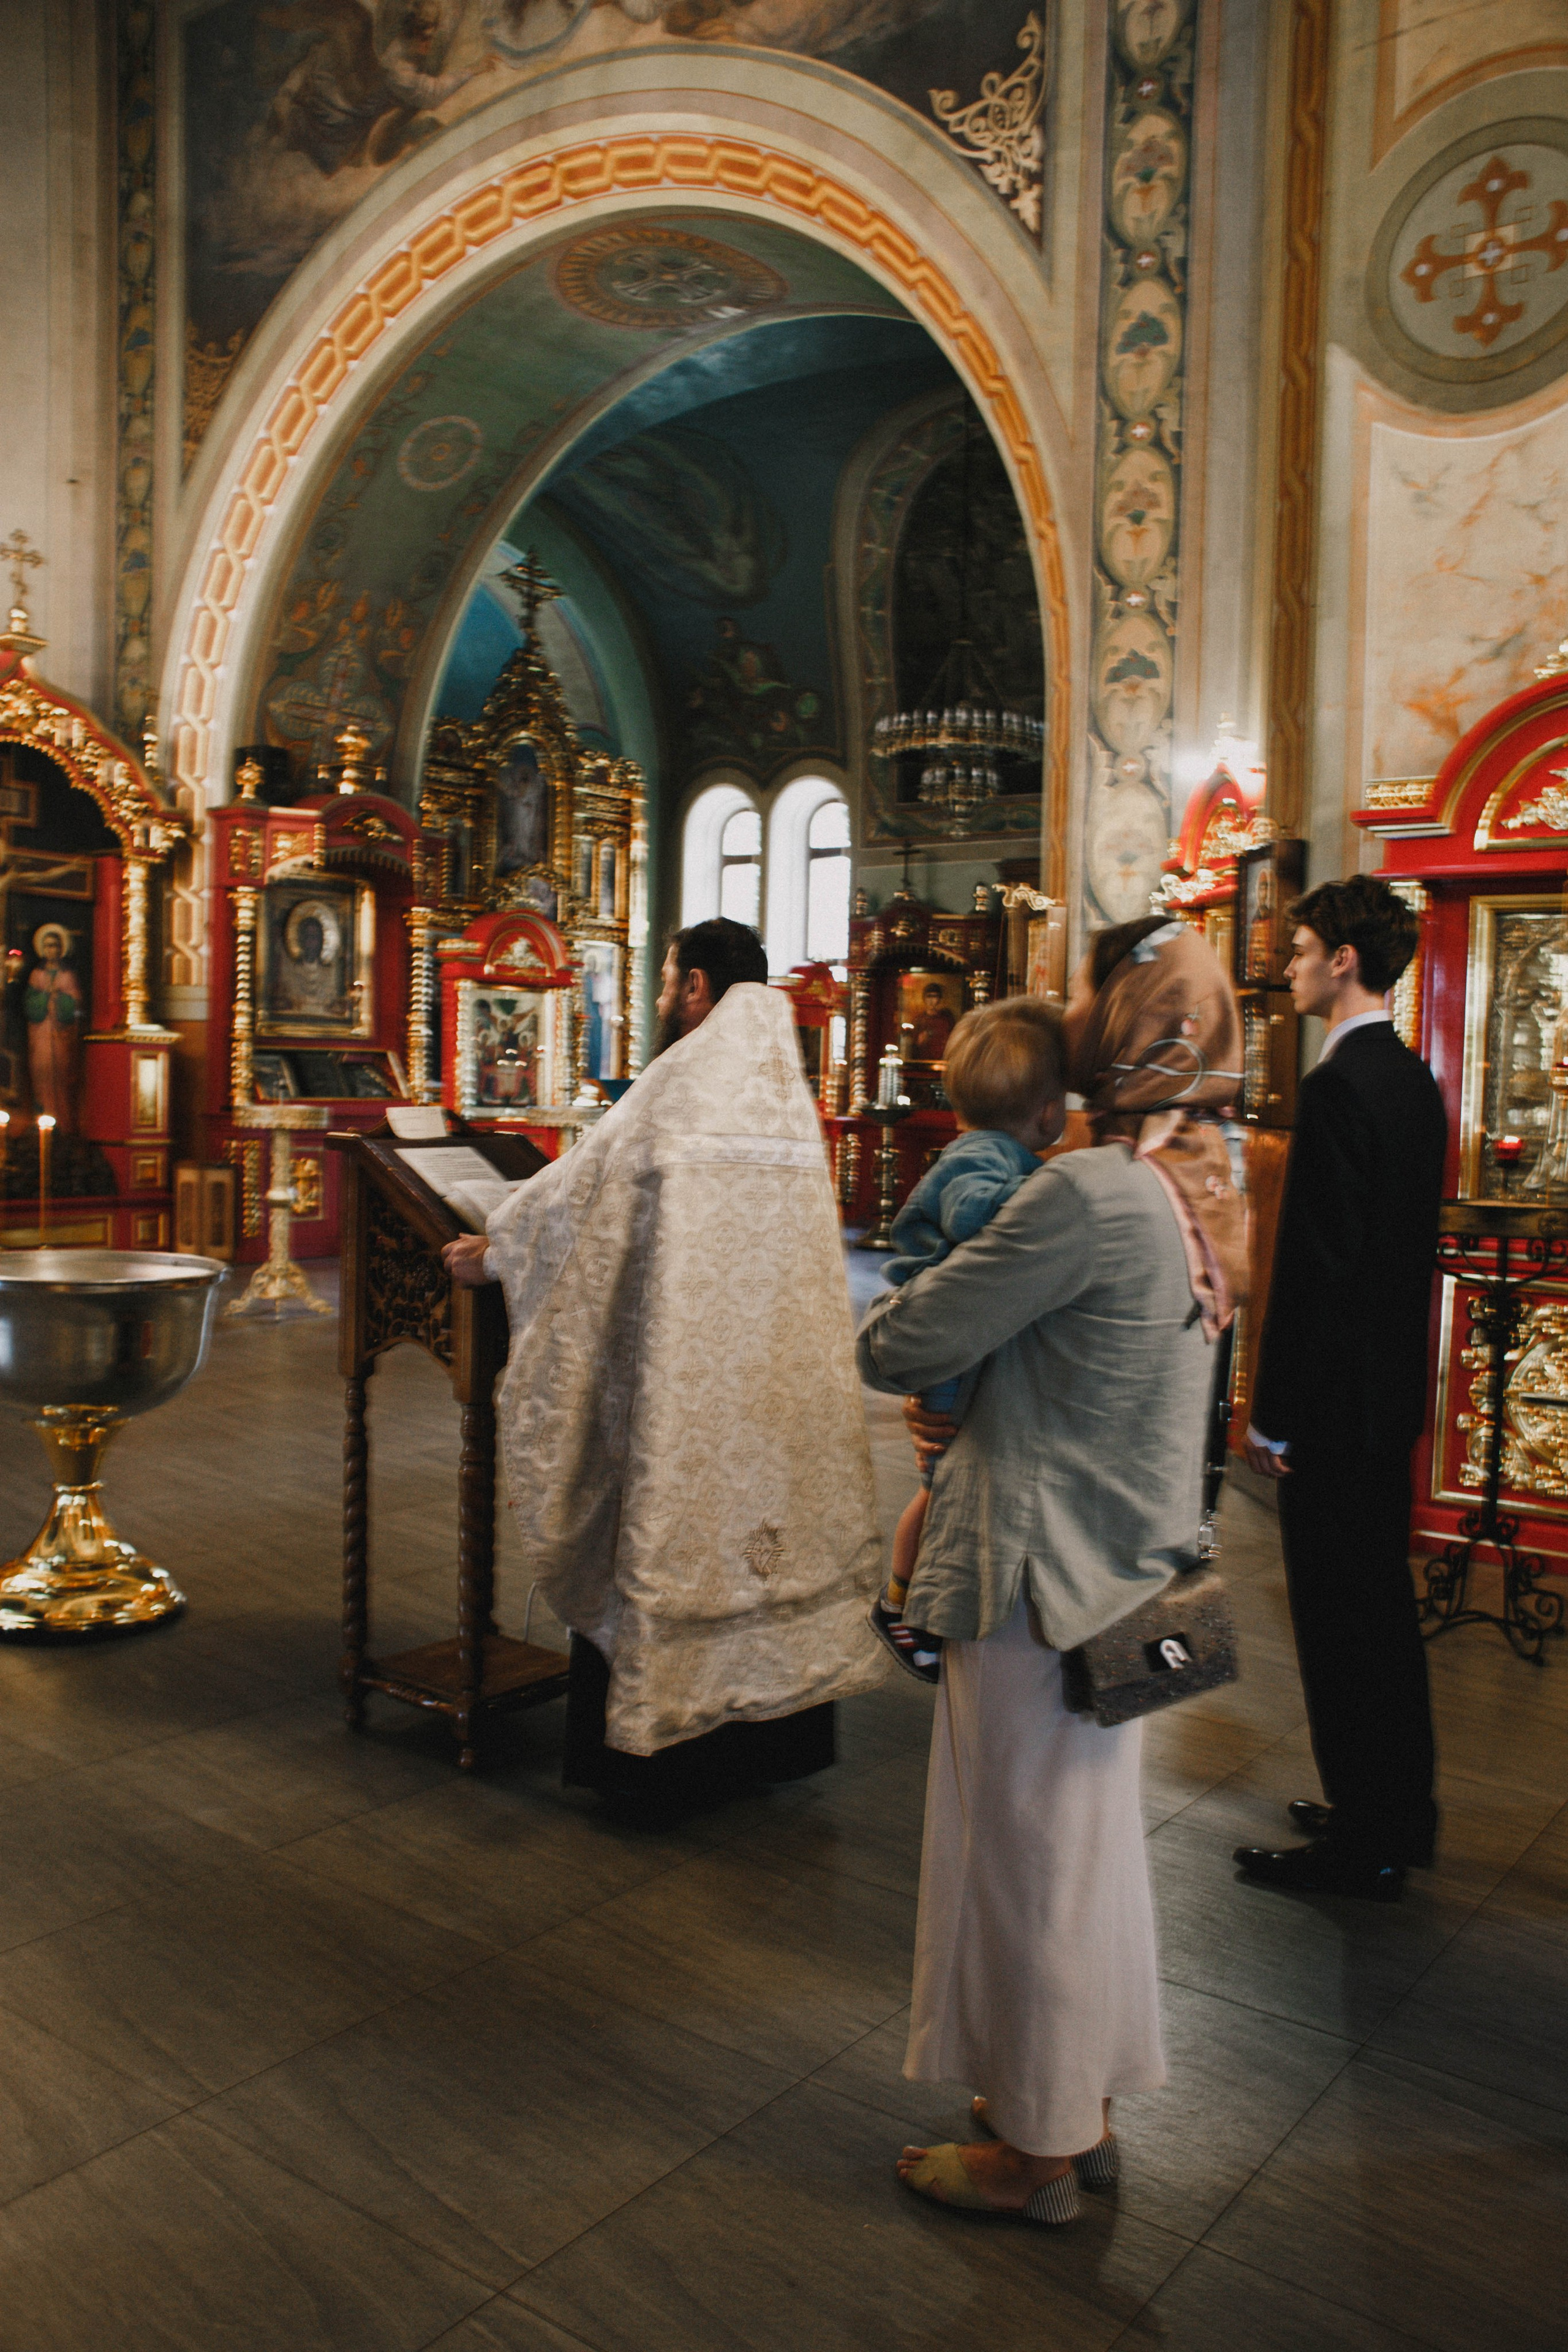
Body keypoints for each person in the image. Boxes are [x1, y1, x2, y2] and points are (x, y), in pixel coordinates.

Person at [857, 918, 1246, 2228]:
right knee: (1081, 1859)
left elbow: (905, 1339)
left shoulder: (1086, 1193)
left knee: (1022, 1863)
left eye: (1094, 991)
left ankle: (1032, 2158)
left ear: (1134, 1022)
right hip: (1127, 1573)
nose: (1073, 1013)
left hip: (1040, 1574)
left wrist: (932, 1355)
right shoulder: (1197, 1185)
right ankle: (1076, 2102)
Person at [444, 916, 884, 1816]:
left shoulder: (682, 1079)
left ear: (694, 988)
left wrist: (494, 1251)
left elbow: (582, 1195)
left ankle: (661, 1772)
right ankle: (772, 1743)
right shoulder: (783, 1090)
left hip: (684, 1395)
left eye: (667, 980)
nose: (657, 1000)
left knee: (667, 1524)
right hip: (769, 1389)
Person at [1238, 875, 1446, 1901]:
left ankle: (1364, 1839)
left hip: (1328, 1407)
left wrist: (1271, 1412)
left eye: (1300, 945)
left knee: (1338, 1621)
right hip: (1389, 1400)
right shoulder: (1412, 1078)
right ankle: (1395, 1810)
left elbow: (1313, 1274)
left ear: (1344, 960)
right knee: (1381, 1616)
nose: (1286, 963)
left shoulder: (1336, 1088)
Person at [869, 997, 1068, 1683]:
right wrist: (1035, 1206)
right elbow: (972, 1214)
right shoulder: (987, 1160)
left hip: (957, 1333)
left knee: (943, 1478)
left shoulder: (985, 1147)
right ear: (1047, 1111)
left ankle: (906, 1600)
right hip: (948, 1342)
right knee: (943, 1477)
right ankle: (900, 1603)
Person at [910, 981, 956, 1062]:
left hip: (943, 1063)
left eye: (935, 997)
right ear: (924, 999)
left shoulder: (947, 1020)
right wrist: (918, 1042)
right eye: (929, 997)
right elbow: (911, 1048)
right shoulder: (918, 1021)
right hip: (922, 1065)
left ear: (939, 999)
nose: (931, 1001)